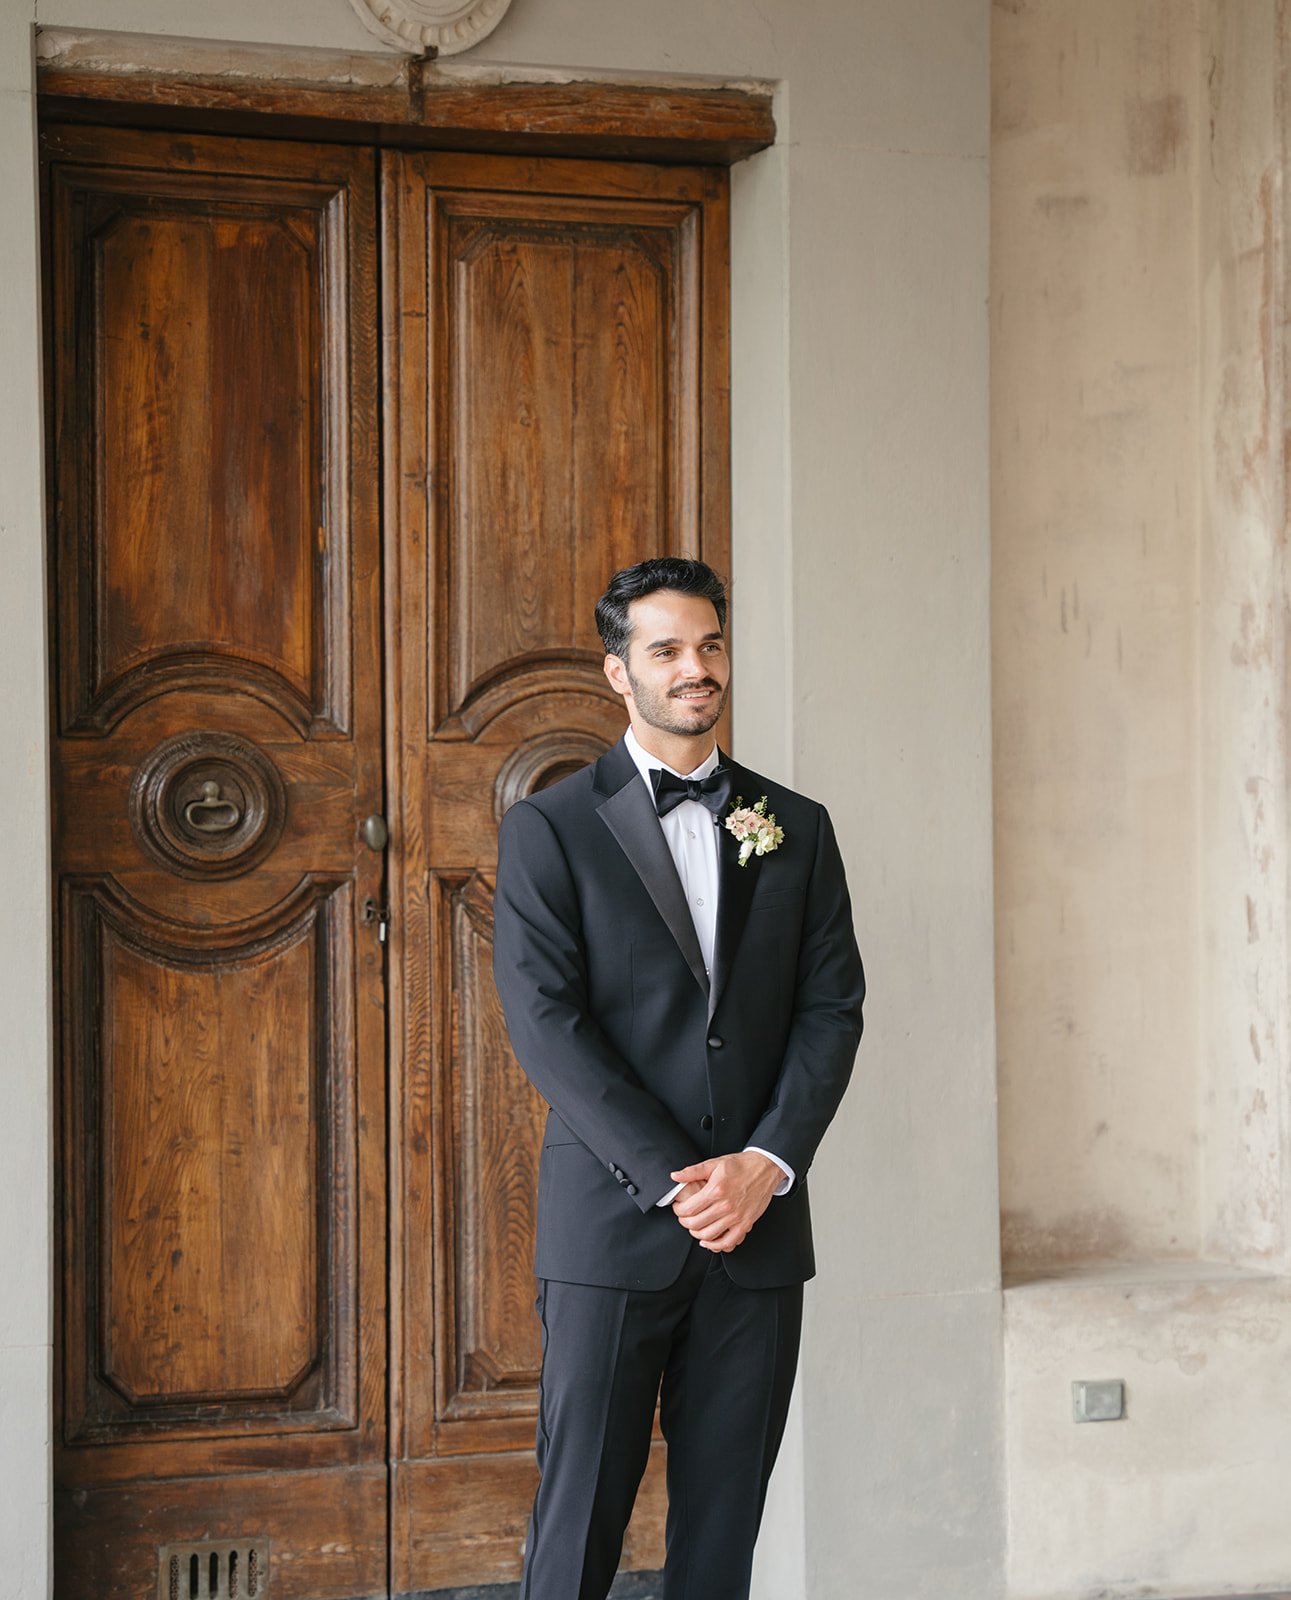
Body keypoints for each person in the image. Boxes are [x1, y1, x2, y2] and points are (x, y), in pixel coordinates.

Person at [492, 557, 866, 1600]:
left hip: (757, 1231)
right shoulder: (549, 830)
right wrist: (679, 1181)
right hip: (612, 1230)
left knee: (722, 1534)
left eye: (709, 645)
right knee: (577, 1525)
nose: (694, 667)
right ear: (619, 672)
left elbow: (831, 1010)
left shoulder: (797, 825)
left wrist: (763, 1165)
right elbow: (547, 1024)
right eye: (665, 649)